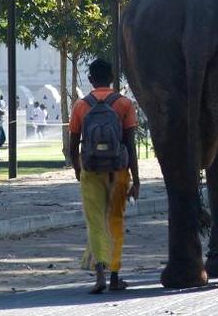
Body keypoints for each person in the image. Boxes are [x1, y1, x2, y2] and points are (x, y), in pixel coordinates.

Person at [70, 59, 140, 294]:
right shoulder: (124, 104)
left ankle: (99, 274)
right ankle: (115, 277)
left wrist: (78, 170)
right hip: (119, 170)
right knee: (116, 222)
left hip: (91, 170)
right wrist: (136, 179)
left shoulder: (81, 106)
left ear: (90, 79)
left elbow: (73, 144)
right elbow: (130, 144)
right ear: (112, 78)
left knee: (96, 222)